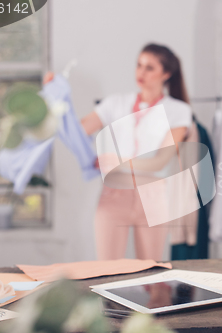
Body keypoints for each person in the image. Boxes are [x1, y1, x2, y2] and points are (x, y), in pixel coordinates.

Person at [79, 44, 192, 261]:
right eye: (139, 65)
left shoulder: (179, 111)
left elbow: (160, 161)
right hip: (113, 195)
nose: (141, 72)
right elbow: (80, 129)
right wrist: (57, 102)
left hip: (153, 197)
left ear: (166, 74)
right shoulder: (115, 103)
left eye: (150, 67)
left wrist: (118, 161)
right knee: (107, 273)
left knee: (150, 275)